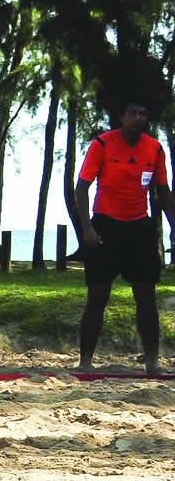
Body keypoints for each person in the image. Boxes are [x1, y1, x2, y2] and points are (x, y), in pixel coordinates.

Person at [75, 101, 175, 375]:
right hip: (105, 225)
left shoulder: (154, 148)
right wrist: (87, 228)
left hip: (139, 227)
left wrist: (172, 224)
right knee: (98, 296)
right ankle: (85, 361)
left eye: (143, 114)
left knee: (146, 296)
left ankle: (153, 362)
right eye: (132, 113)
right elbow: (82, 187)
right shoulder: (102, 145)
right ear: (121, 116)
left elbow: (162, 191)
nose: (138, 118)